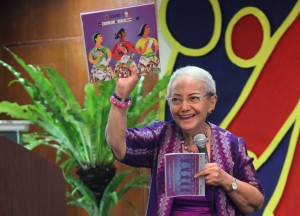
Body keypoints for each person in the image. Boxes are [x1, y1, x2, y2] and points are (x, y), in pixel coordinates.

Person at [106, 65, 264, 215]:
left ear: (211, 102)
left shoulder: (231, 144)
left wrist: (225, 179)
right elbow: (118, 146)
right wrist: (121, 93)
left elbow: (255, 202)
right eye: (176, 100)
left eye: (193, 98)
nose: (184, 107)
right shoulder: (159, 136)